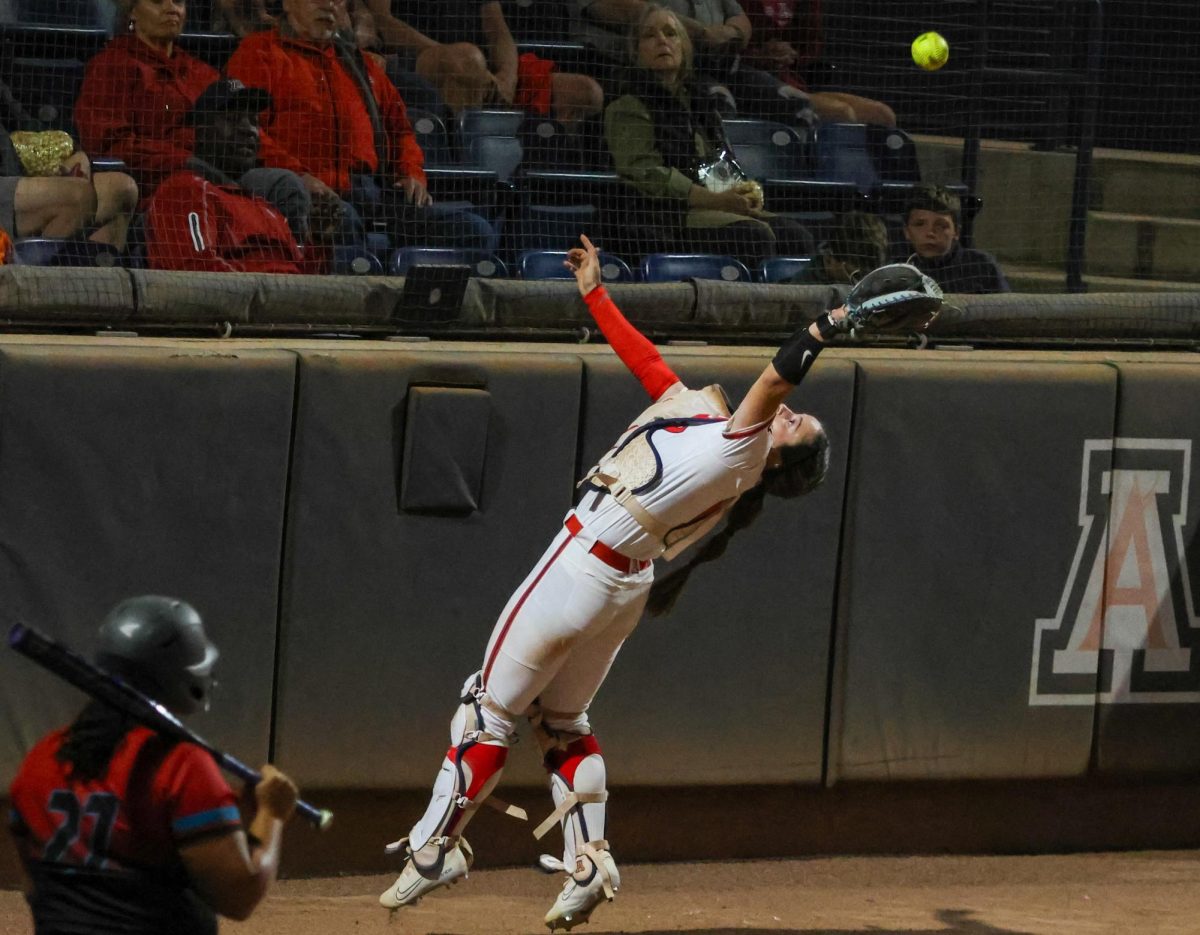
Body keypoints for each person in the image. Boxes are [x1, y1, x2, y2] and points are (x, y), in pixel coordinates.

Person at [378, 231, 843, 930]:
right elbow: (650, 365)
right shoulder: (715, 424)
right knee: (563, 722)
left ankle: (434, 846)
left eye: (795, 427)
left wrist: (825, 327)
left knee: (488, 709)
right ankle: (589, 859)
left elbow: (778, 377)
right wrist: (596, 293)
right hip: (621, 583)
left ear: (778, 462)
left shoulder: (740, 454)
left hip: (585, 562)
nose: (785, 415)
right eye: (794, 416)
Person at [8, 595, 299, 934]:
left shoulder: (42, 757)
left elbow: (34, 884)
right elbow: (240, 896)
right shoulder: (181, 765)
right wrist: (272, 815)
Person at [225, 0, 499, 255]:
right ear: (286, 3)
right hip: (304, 194)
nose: (328, 5)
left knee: (472, 230)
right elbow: (246, 130)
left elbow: (400, 129)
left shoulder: (360, 63)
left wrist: (411, 172)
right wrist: (299, 176)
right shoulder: (259, 52)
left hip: (372, 192)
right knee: (342, 223)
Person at [76, 0, 312, 240]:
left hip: (225, 180)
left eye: (179, 2)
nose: (172, 8)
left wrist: (302, 174)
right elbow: (108, 144)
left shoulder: (199, 72)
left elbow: (247, 131)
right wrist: (184, 162)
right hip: (159, 191)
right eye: (158, 1)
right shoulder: (110, 66)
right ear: (132, 11)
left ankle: (287, 271)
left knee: (289, 187)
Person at [605, 4, 815, 265]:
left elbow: (715, 163)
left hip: (710, 205)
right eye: (649, 35)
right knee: (754, 236)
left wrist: (739, 194)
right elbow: (646, 173)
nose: (662, 41)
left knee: (797, 238)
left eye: (670, 33)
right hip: (662, 216)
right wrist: (717, 200)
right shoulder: (627, 106)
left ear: (684, 46)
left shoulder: (699, 102)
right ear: (636, 51)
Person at [145, 78, 334, 273]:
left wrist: (318, 243)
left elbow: (305, 278)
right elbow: (196, 275)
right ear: (202, 133)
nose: (249, 130)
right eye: (232, 119)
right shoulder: (185, 191)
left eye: (254, 121)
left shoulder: (264, 206)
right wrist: (279, 294)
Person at [572, 0, 815, 127]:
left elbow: (739, 16)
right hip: (647, 67)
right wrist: (701, 34)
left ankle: (789, 200)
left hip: (720, 62)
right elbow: (617, 9)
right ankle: (717, 191)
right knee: (716, 103)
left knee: (797, 104)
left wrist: (731, 33)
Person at [363, 0, 604, 126]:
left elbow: (498, 30)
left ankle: (541, 178)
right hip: (417, 59)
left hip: (482, 67)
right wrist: (468, 65)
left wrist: (507, 77)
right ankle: (466, 158)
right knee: (464, 61)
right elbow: (385, 23)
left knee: (586, 93)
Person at [0, 79, 139, 253]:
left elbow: (22, 119)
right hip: (6, 176)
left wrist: (73, 151)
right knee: (79, 196)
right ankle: (31, 277)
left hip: (13, 172)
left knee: (121, 189)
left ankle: (92, 278)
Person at [741, 0, 895, 127]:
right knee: (841, 113)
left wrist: (791, 54)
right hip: (751, 85)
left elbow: (813, 42)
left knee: (882, 115)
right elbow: (727, 48)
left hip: (791, 80)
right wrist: (760, 55)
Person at [900, 183, 1010, 294]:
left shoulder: (981, 267)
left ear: (956, 232)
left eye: (941, 226)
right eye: (920, 224)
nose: (930, 233)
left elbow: (1006, 308)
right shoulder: (897, 271)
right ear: (906, 231)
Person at [784, 210, 887, 284]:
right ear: (829, 259)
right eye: (855, 275)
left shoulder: (879, 277)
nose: (860, 282)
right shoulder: (805, 286)